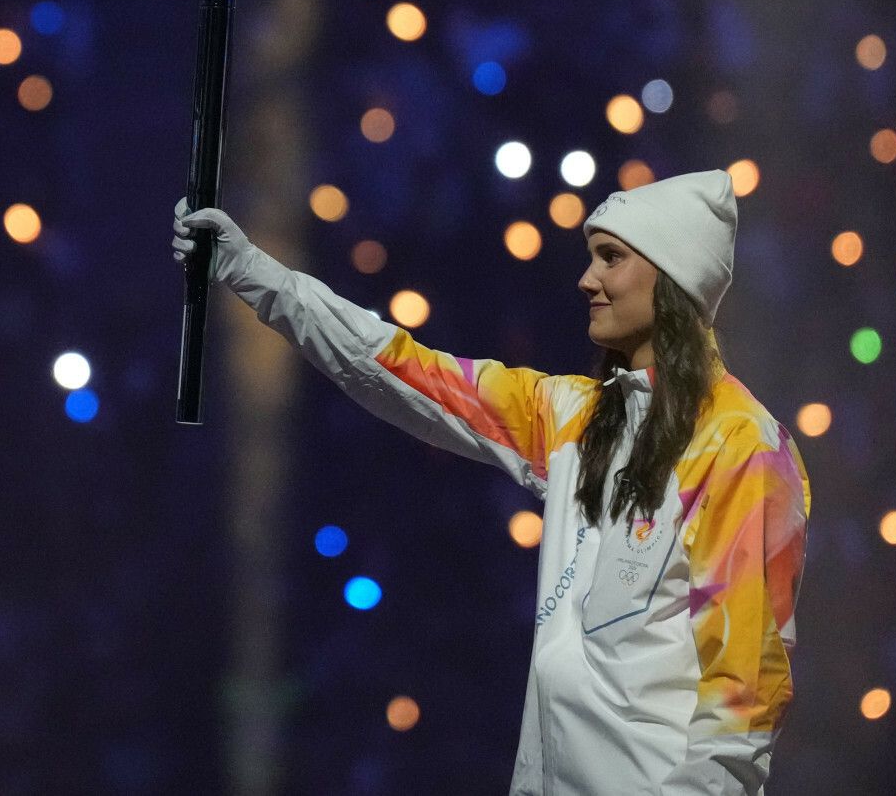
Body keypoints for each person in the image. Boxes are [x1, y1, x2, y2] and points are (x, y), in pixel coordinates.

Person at [171, 169, 810, 795]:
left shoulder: (742, 445)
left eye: (610, 258)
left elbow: (744, 693)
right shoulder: (577, 419)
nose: (587, 280)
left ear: (673, 277)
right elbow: (400, 368)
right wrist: (252, 272)